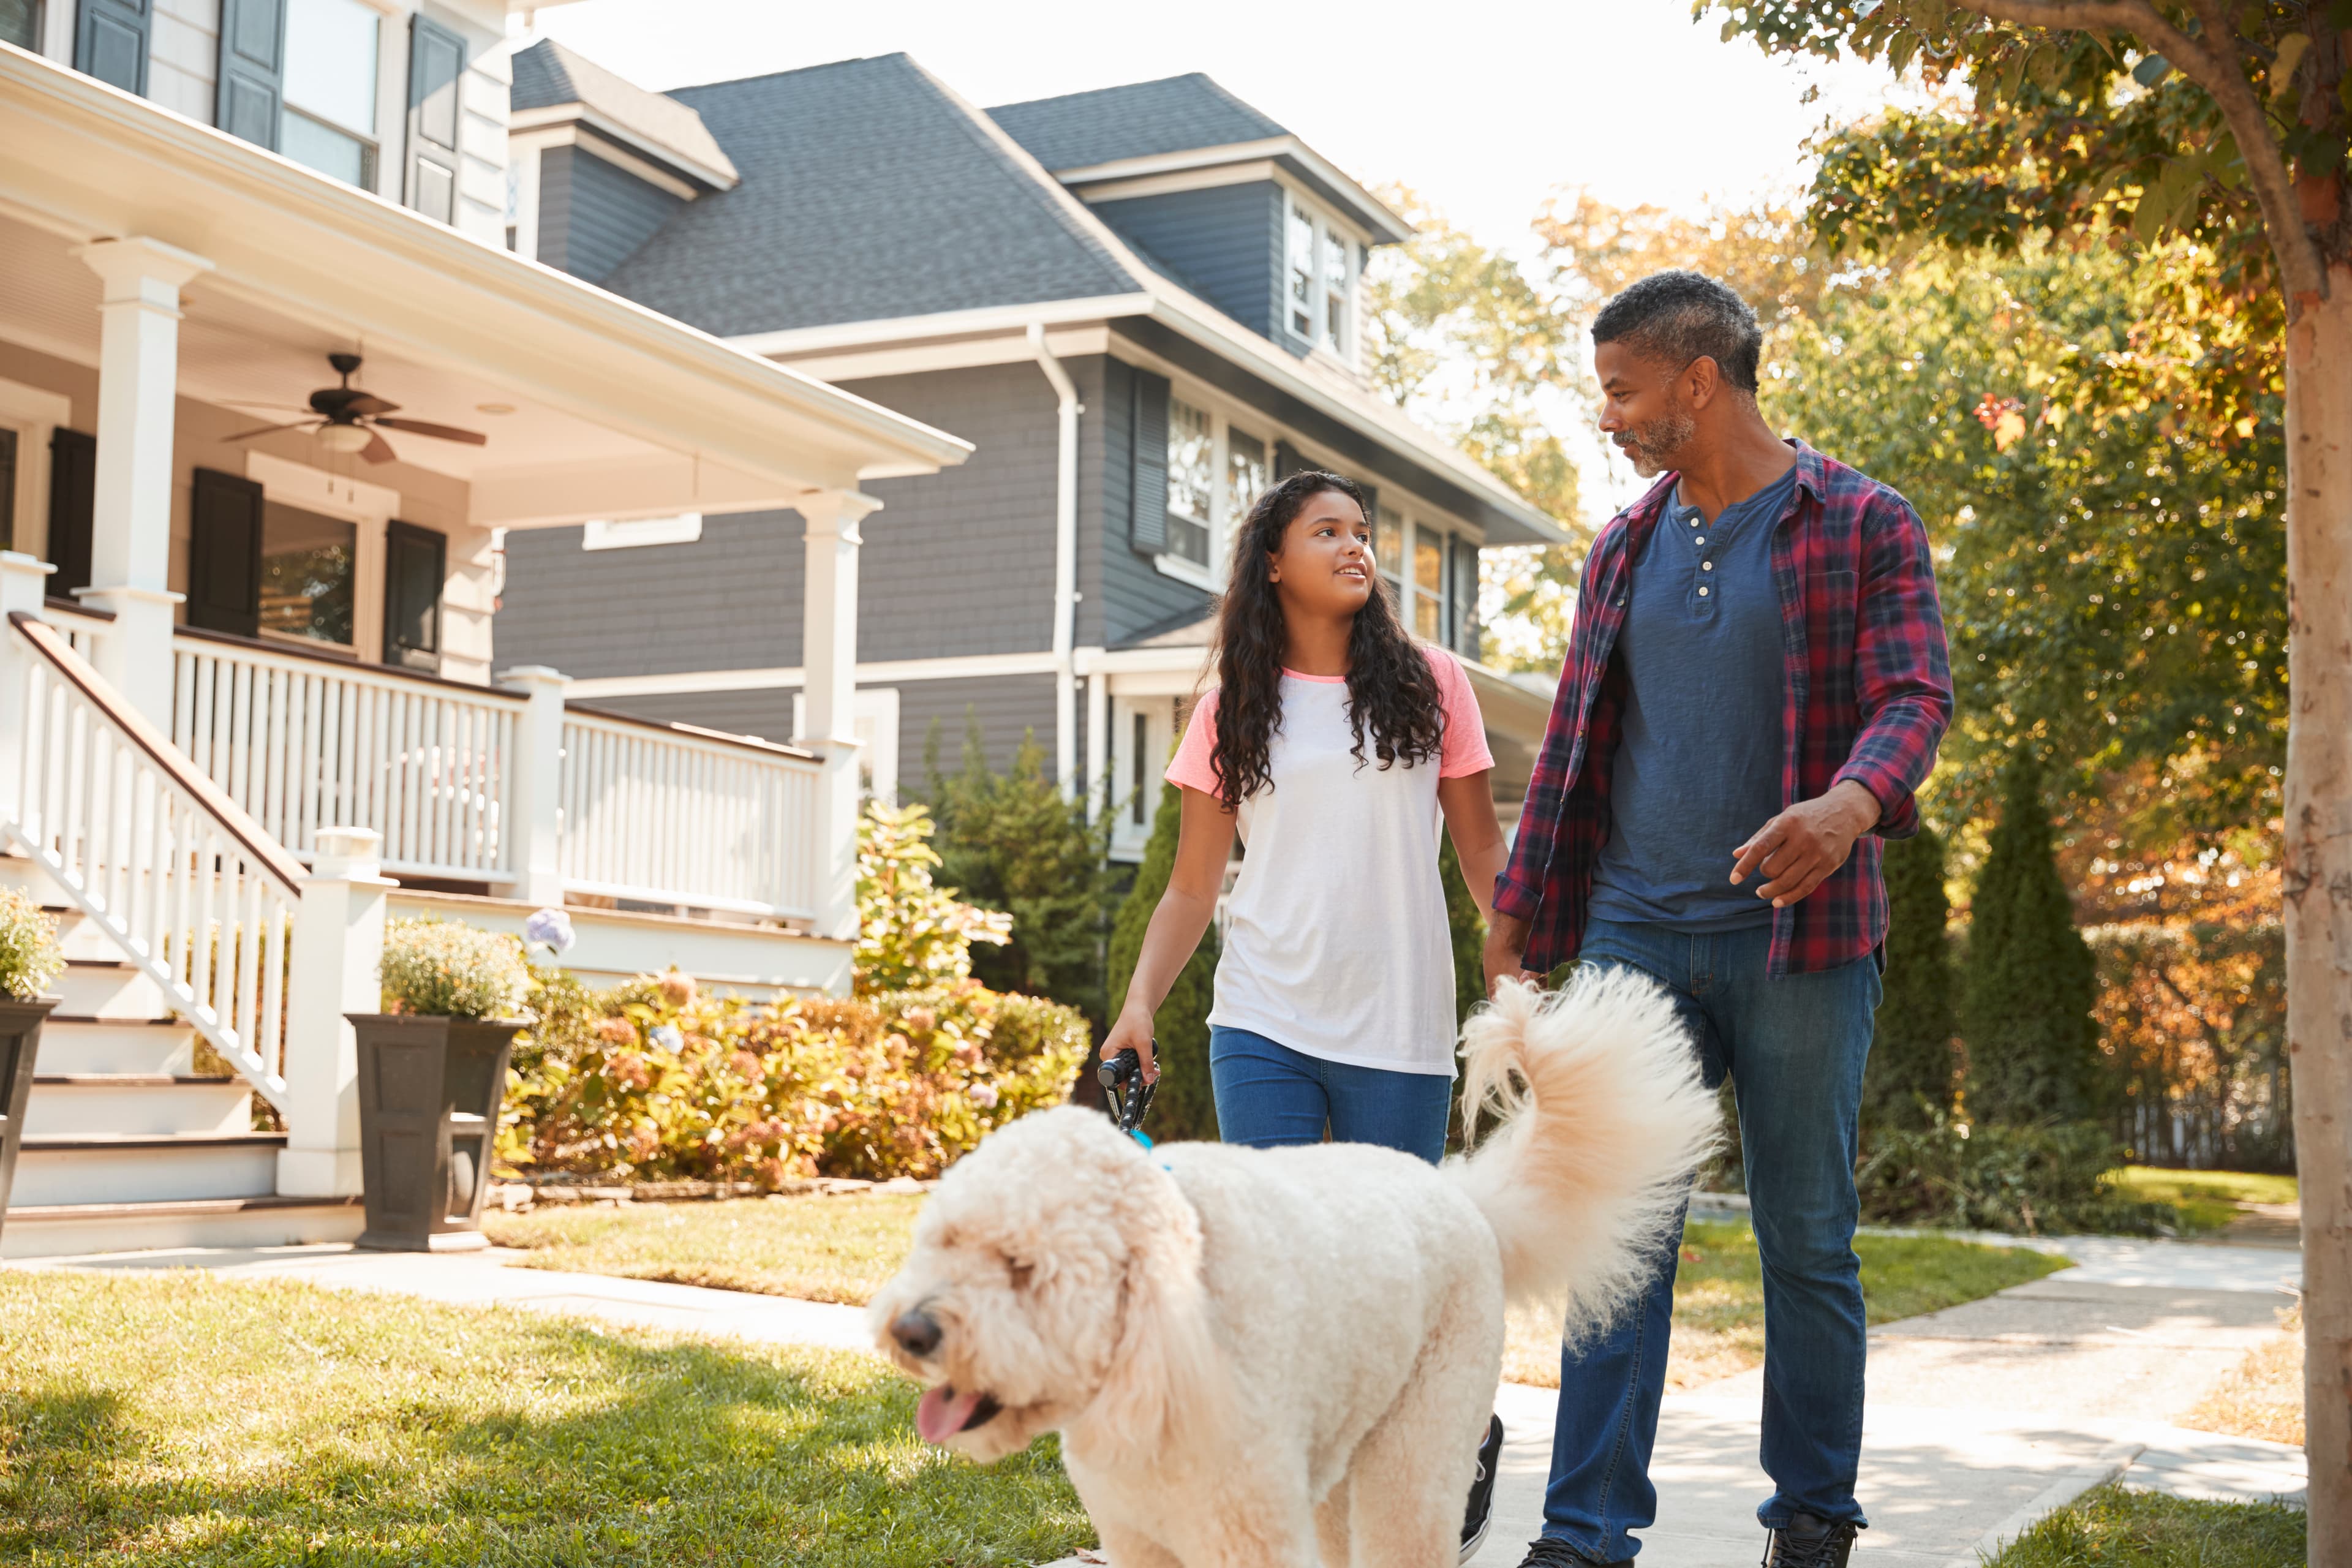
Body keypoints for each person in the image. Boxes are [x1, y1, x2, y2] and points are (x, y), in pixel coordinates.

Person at [1482, 271, 1953, 1568]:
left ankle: (1812, 1518)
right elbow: (1578, 744)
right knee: (1618, 1229)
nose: (1613, 418)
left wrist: (1851, 805)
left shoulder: (1860, 519)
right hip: (1637, 929)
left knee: (1806, 1234)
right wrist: (1522, 909)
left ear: (1699, 380)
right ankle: (1583, 1534)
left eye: (1624, 391)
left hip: (1798, 940)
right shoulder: (1623, 548)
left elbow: (1914, 692)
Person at [1104, 467, 1512, 1561]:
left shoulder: (1432, 683)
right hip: (1264, 1014)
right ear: (1272, 561)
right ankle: (1282, 1503)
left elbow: (1480, 847)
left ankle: (1455, 1434)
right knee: (1272, 1270)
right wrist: (1141, 1002)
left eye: (1363, 531)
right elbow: (1192, 885)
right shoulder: (1232, 707)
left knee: (1398, 1273)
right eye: (1326, 530)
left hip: (1401, 1023)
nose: (1354, 545)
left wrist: (1510, 946)